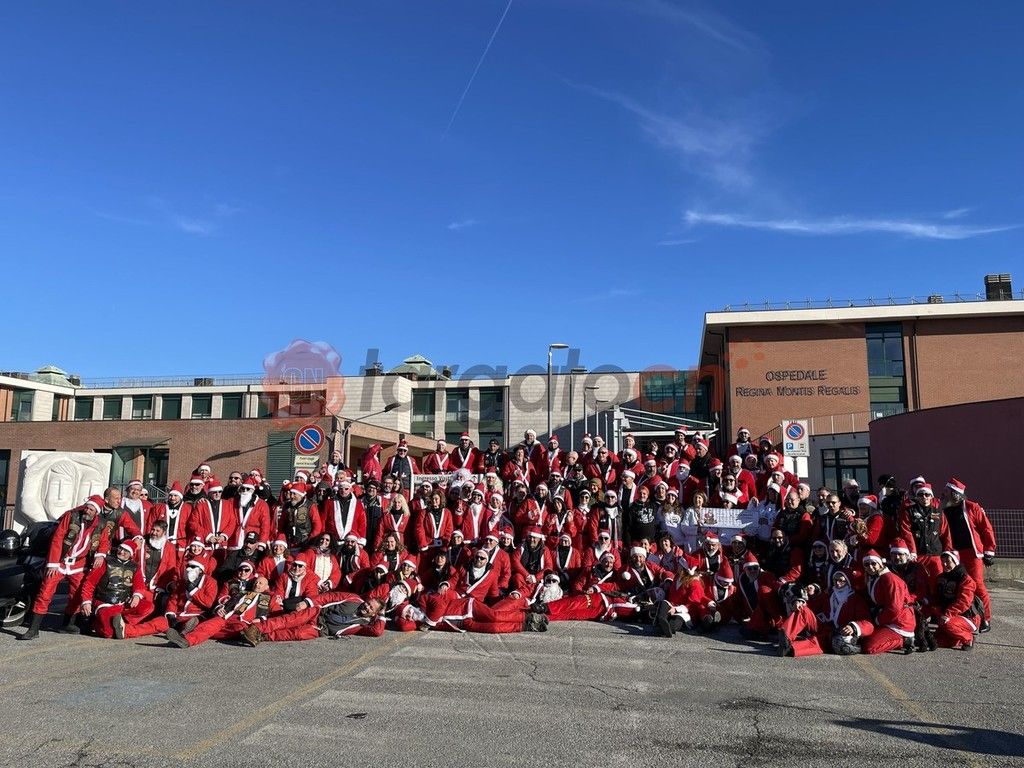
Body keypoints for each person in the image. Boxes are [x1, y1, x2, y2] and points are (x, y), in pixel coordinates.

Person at [21, 493, 112, 639]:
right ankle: (34, 629)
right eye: (87, 507)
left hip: (79, 563)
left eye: (91, 509)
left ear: (96, 512)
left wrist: (100, 554)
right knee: (45, 592)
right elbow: (57, 538)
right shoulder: (72, 516)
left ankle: (68, 624)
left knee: (77, 594)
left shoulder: (101, 524)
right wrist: (53, 563)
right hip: (60, 561)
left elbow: (104, 541)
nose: (87, 511)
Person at [941, 478, 995, 629]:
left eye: (947, 491)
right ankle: (966, 615)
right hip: (955, 555)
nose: (944, 494)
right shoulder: (945, 510)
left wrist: (989, 550)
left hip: (972, 554)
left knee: (977, 585)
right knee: (958, 586)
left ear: (956, 493)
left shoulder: (972, 507)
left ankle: (985, 618)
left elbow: (986, 528)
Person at [165, 576, 274, 648]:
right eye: (256, 582)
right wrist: (219, 608)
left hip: (241, 621)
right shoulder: (241, 593)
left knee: (240, 630)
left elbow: (275, 613)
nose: (257, 584)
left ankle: (188, 631)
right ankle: (187, 640)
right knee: (208, 626)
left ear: (266, 587)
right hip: (226, 616)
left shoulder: (269, 598)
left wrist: (260, 619)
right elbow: (226, 603)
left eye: (260, 583)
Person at [842, 551, 915, 655]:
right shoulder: (872, 578)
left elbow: (894, 609)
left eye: (873, 563)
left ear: (880, 564)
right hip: (886, 618)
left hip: (899, 622)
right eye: (866, 564)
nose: (870, 567)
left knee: (869, 647)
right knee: (864, 638)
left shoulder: (890, 579)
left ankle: (904, 640)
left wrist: (877, 620)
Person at [80, 540, 150, 639]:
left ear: (131, 554)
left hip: (123, 603)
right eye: (120, 548)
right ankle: (97, 623)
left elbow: (139, 585)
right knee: (108, 633)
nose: (121, 552)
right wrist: (86, 601)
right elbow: (89, 583)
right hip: (104, 603)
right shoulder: (105, 562)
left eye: (125, 551)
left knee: (148, 607)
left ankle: (122, 623)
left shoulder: (135, 567)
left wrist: (137, 595)